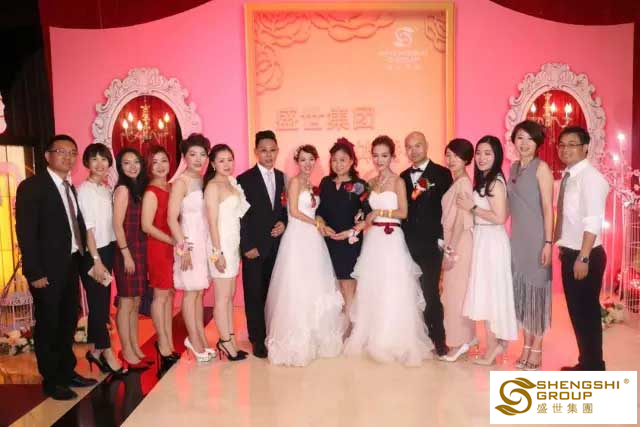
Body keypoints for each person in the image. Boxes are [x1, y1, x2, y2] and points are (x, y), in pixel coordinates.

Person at [16, 134, 97, 400]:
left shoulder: (69, 187)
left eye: (72, 152)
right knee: (49, 323)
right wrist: (34, 271)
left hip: (70, 264)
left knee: (67, 321)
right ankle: (51, 380)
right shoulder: (33, 187)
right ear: (47, 156)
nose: (68, 157)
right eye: (61, 151)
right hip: (46, 271)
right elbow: (26, 233)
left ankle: (66, 371)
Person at [344, 136, 432, 367]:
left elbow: (403, 212)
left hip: (392, 239)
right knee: (372, 286)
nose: (379, 160)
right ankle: (372, 336)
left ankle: (392, 338)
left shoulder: (398, 181)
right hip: (373, 239)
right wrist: (362, 220)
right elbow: (365, 212)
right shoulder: (369, 183)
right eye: (375, 155)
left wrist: (380, 213)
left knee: (394, 287)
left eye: (384, 155)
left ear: (392, 156)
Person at [265, 145, 345, 366]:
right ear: (297, 162)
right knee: (297, 286)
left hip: (313, 239)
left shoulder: (312, 184)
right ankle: (295, 342)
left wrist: (319, 222)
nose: (307, 164)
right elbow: (294, 211)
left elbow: (314, 211)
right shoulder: (294, 182)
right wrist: (316, 223)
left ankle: (316, 338)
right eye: (303, 160)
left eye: (311, 159)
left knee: (314, 283)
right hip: (298, 237)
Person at [457, 136, 518, 365]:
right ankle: (494, 345)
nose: (481, 158)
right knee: (487, 293)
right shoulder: (486, 181)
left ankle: (493, 348)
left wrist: (472, 207)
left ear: (497, 156)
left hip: (492, 242)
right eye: (479, 153)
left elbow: (500, 217)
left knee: (491, 294)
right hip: (485, 239)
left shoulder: (494, 183)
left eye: (488, 153)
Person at [555, 126, 609, 371]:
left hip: (585, 255)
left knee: (587, 314)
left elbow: (593, 221)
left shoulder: (591, 178)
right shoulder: (570, 176)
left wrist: (584, 257)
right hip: (571, 253)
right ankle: (586, 362)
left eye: (572, 144)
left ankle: (595, 367)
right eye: (562, 144)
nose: (565, 149)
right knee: (578, 314)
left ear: (585, 147)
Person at [400, 131, 453, 357]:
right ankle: (417, 336)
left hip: (432, 244)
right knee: (410, 291)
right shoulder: (403, 177)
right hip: (407, 243)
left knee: (430, 291)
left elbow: (449, 209)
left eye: (418, 145)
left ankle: (438, 338)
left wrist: (444, 239)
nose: (413, 151)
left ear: (427, 145)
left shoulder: (442, 173)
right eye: (409, 147)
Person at [507, 121, 554, 371]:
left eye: (530, 139)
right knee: (523, 296)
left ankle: (537, 348)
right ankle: (526, 345)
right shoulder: (513, 167)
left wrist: (548, 243)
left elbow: (548, 208)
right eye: (520, 138)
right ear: (514, 141)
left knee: (537, 294)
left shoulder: (541, 168)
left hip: (537, 240)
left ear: (537, 143)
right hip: (517, 241)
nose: (524, 144)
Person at [238, 130, 287, 358]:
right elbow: (240, 216)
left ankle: (272, 334)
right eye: (264, 150)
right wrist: (246, 245)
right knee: (254, 295)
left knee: (274, 294)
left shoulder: (282, 177)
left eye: (272, 150)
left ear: (277, 151)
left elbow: (285, 210)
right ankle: (257, 339)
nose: (269, 155)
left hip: (277, 247)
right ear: (256, 151)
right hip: (254, 248)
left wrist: (283, 223)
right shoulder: (244, 179)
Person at [77, 143, 126, 376]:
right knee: (97, 304)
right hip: (93, 254)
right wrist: (96, 260)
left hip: (107, 250)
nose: (99, 164)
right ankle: (107, 353)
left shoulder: (105, 189)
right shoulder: (84, 191)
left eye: (104, 159)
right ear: (87, 163)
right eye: (94, 159)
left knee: (102, 304)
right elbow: (88, 229)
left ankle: (95, 351)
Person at [167, 134, 214, 362]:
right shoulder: (181, 182)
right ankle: (193, 340)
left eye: (202, 155)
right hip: (189, 242)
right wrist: (183, 247)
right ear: (185, 157)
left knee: (199, 293)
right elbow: (171, 218)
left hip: (203, 241)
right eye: (193, 154)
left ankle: (200, 337)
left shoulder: (205, 181)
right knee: (190, 292)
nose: (198, 159)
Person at [203, 144, 249, 361]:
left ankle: (230, 339)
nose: (226, 164)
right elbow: (212, 222)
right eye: (221, 160)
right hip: (219, 246)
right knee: (222, 298)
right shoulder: (212, 187)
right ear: (213, 163)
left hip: (233, 245)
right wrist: (217, 253)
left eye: (229, 159)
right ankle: (224, 341)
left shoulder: (231, 182)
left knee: (229, 297)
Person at [316, 138, 367, 331]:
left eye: (343, 160)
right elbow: (319, 211)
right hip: (328, 241)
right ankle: (334, 327)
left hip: (349, 243)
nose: (338, 164)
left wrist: (351, 231)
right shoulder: (326, 183)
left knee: (348, 286)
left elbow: (368, 216)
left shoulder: (359, 185)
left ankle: (350, 328)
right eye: (334, 160)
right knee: (332, 285)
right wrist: (321, 224)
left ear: (352, 161)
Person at [141, 145, 179, 374]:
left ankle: (168, 344)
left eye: (163, 160)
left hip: (173, 247)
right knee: (160, 296)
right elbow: (146, 226)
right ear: (148, 166)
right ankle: (163, 345)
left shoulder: (172, 187)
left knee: (169, 295)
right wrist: (171, 240)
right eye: (155, 162)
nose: (160, 166)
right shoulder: (151, 192)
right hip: (159, 247)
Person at [439, 139, 477, 362]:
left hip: (459, 243)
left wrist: (450, 251)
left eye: (456, 156)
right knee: (458, 292)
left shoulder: (463, 184)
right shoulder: (459, 181)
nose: (451, 160)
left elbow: (462, 221)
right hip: (455, 241)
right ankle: (467, 338)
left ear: (466, 159)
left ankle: (458, 342)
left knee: (455, 294)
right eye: (449, 155)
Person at [113, 147, 150, 370]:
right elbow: (117, 225)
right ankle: (126, 349)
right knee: (126, 302)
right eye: (126, 163)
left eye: (136, 162)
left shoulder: (138, 189)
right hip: (126, 251)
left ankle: (135, 345)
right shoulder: (123, 190)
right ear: (120, 167)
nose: (132, 166)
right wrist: (126, 254)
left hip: (139, 249)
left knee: (136, 301)